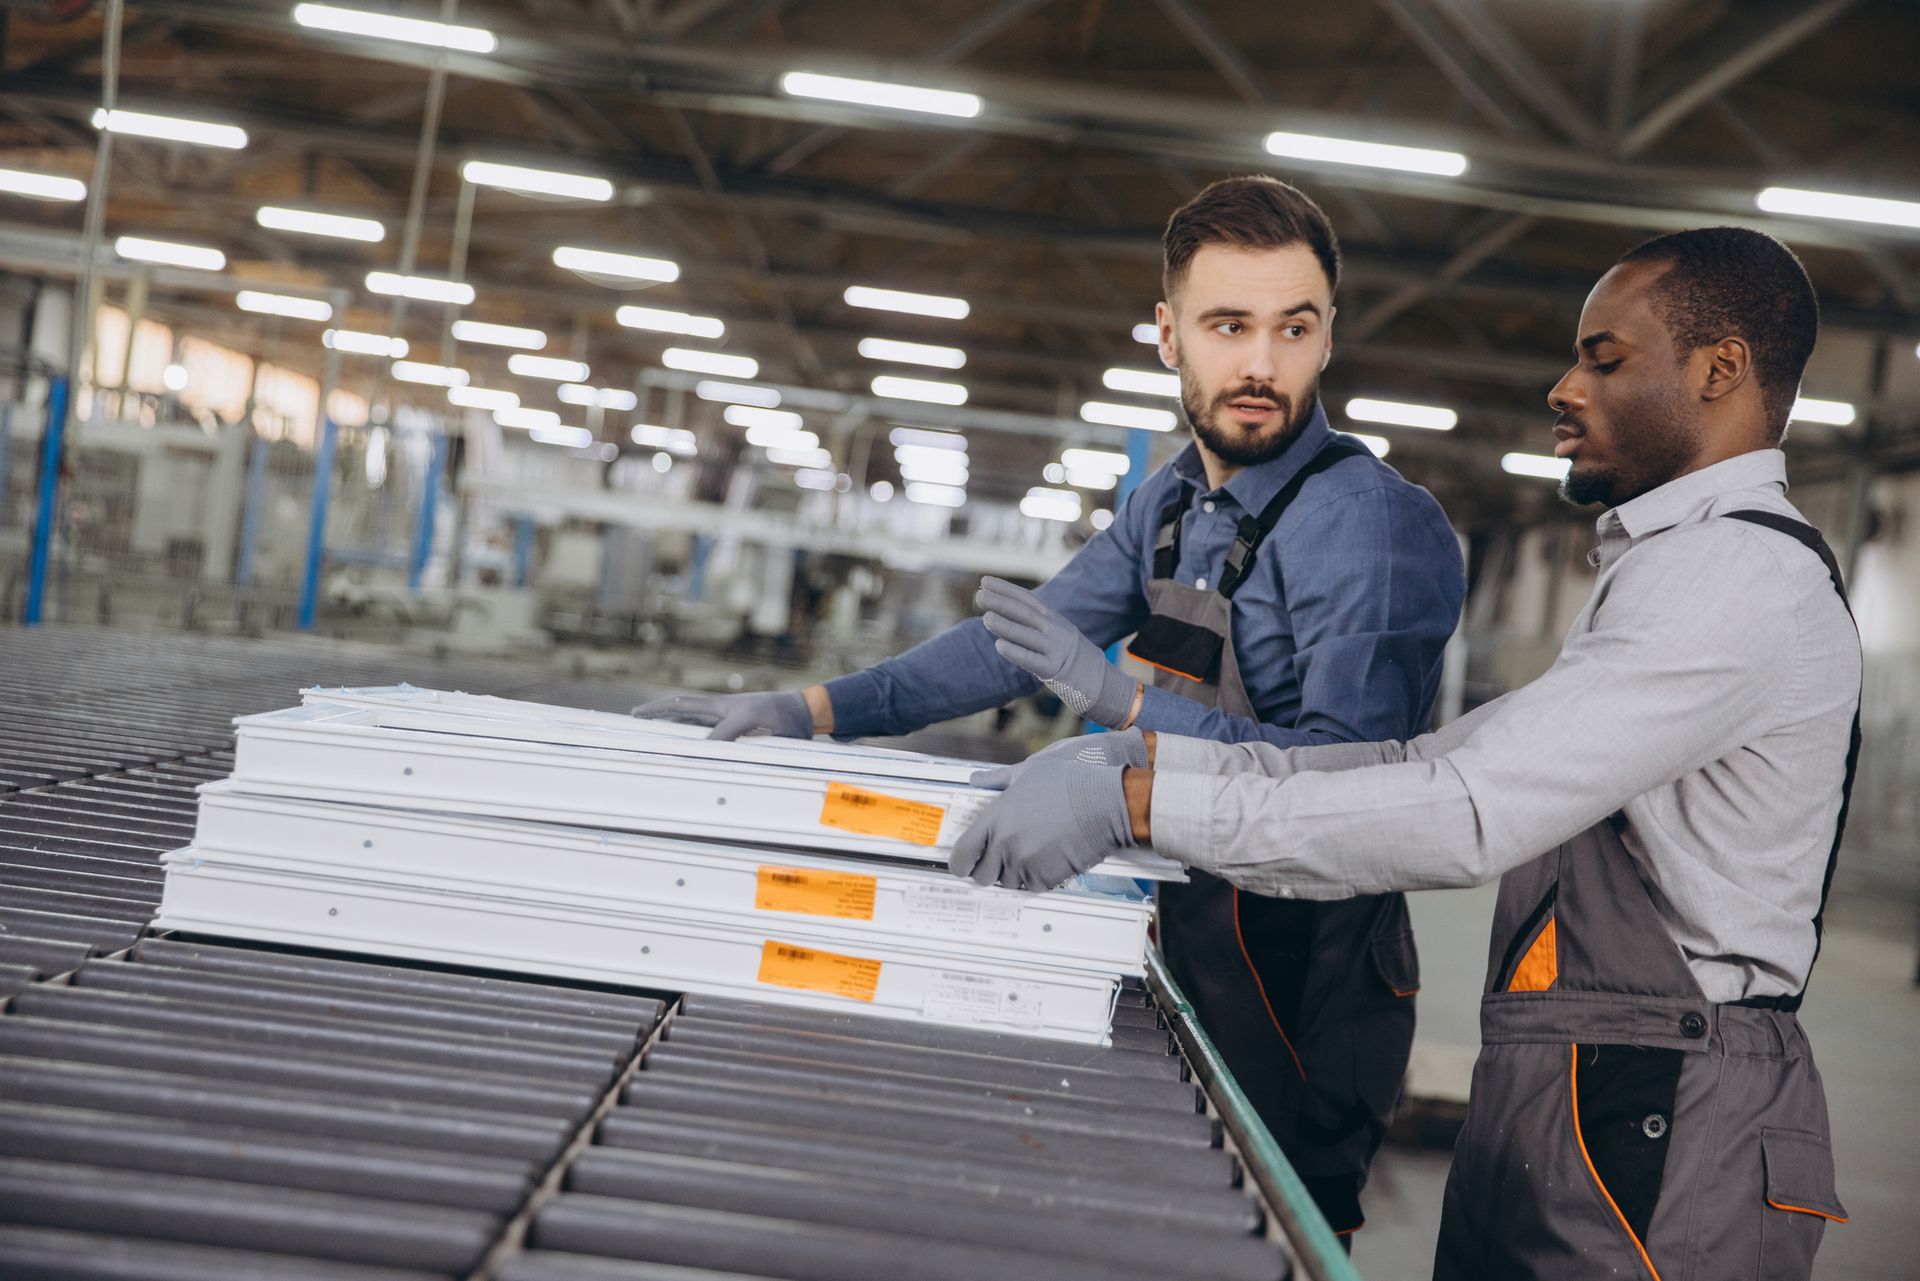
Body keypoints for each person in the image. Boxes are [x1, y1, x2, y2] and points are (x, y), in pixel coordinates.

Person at [953, 225, 1859, 1280]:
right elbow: (1414, 767)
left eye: (1604, 358)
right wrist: (1145, 764)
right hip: (1584, 1082)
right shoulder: (1672, 570)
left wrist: (1143, 812)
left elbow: (1465, 812)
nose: (1565, 387)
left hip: (1664, 1106)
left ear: (1720, 369)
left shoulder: (1735, 579)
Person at [637, 175, 1465, 1234]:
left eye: (1293, 329)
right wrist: (812, 708)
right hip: (1180, 923)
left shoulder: (1369, 525)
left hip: (1305, 976)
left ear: (1328, 334)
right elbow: (1008, 650)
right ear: (1169, 336)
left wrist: (1124, 707)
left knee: (1266, 1227)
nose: (1262, 364)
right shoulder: (1171, 503)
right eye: (1228, 326)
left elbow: (1356, 784)